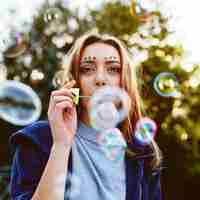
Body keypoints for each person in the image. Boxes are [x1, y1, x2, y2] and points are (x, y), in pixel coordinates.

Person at [9, 31, 163, 200]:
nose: (100, 79)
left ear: (125, 81)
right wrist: (61, 144)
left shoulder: (142, 153)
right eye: (87, 69)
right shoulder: (37, 139)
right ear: (74, 81)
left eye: (113, 69)